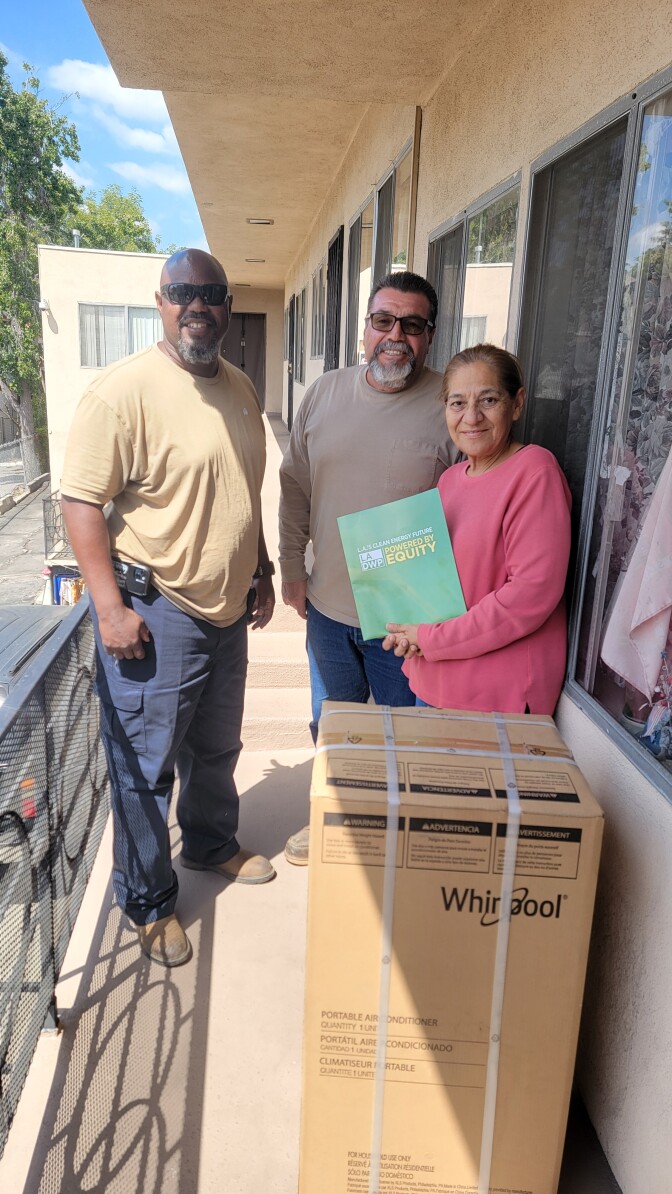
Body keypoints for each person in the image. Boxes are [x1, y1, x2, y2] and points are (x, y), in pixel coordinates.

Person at [60, 249, 276, 968]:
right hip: (157, 614)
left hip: (226, 612)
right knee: (144, 767)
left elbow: (243, 490)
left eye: (211, 293)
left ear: (227, 304)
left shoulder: (241, 386)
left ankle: (212, 846)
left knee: (215, 750)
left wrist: (263, 567)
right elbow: (81, 501)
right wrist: (110, 608)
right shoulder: (123, 392)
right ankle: (148, 903)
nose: (197, 305)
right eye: (182, 291)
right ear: (160, 301)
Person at [279, 271, 456, 863]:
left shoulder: (451, 407)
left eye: (412, 324)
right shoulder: (325, 394)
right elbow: (295, 488)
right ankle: (334, 822)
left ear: (430, 335)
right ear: (365, 329)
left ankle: (394, 845)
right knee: (333, 731)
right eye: (384, 320)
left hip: (407, 625)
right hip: (328, 609)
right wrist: (291, 569)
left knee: (406, 741)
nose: (395, 335)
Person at [383, 344, 572, 714]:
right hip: (432, 681)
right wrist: (408, 629)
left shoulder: (535, 472)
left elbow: (529, 597)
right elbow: (435, 584)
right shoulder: (451, 480)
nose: (471, 417)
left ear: (516, 404)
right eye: (457, 403)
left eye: (488, 400)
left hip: (493, 698)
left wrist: (432, 638)